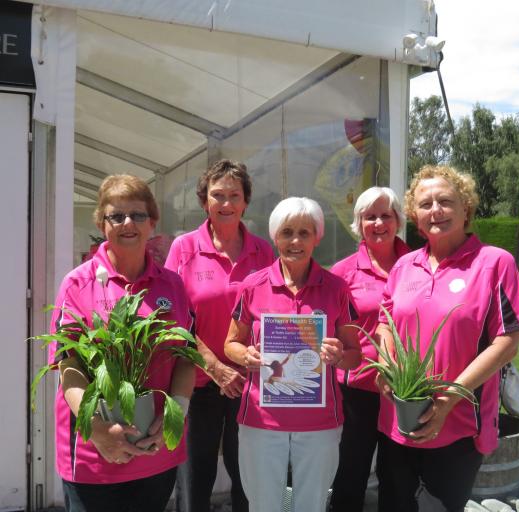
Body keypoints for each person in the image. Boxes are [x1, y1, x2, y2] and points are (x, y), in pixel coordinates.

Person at [375, 165, 519, 512]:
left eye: (445, 201)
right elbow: (385, 324)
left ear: (466, 208)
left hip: (459, 423)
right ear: (415, 216)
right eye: (426, 203)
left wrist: (447, 400)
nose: (436, 210)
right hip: (396, 421)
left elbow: (507, 341)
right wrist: (386, 366)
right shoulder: (404, 267)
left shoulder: (494, 263)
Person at [50, 175, 196, 512]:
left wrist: (175, 416)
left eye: (138, 215)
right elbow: (68, 365)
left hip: (155, 448)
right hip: (95, 452)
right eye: (117, 216)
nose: (128, 223)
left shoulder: (171, 285)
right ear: (102, 224)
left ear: (152, 223)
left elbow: (185, 358)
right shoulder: (78, 283)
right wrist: (99, 431)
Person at [224, 197, 362, 512]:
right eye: (287, 232)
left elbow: (356, 354)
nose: (295, 241)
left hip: (320, 421)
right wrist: (246, 356)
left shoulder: (337, 289)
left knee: (311, 506)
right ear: (275, 237)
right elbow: (230, 342)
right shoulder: (252, 286)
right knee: (263, 505)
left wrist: (339, 355)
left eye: (304, 232)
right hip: (262, 419)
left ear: (317, 237)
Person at [165, 159, 274, 512]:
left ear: (245, 202)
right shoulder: (184, 249)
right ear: (204, 201)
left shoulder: (263, 251)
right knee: (196, 478)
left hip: (249, 384)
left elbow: (272, 312)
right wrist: (213, 366)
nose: (226, 204)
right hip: (196, 381)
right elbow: (169, 316)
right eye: (217, 195)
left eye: (234, 196)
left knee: (248, 478)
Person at [328, 187, 410, 512]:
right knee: (350, 473)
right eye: (369, 216)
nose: (378, 223)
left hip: (404, 389)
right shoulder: (343, 272)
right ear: (358, 223)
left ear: (398, 220)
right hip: (356, 390)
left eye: (385, 215)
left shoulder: (418, 264)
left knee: (398, 475)